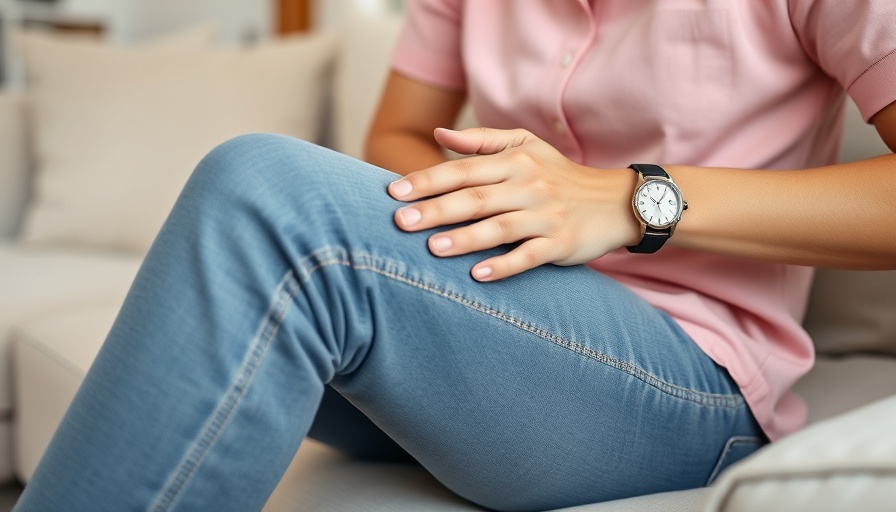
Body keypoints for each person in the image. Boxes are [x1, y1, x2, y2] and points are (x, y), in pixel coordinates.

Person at [13, 1, 896, 511]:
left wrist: (628, 200)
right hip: (486, 311)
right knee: (240, 241)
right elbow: (393, 131)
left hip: (689, 375)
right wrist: (503, 207)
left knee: (268, 194)